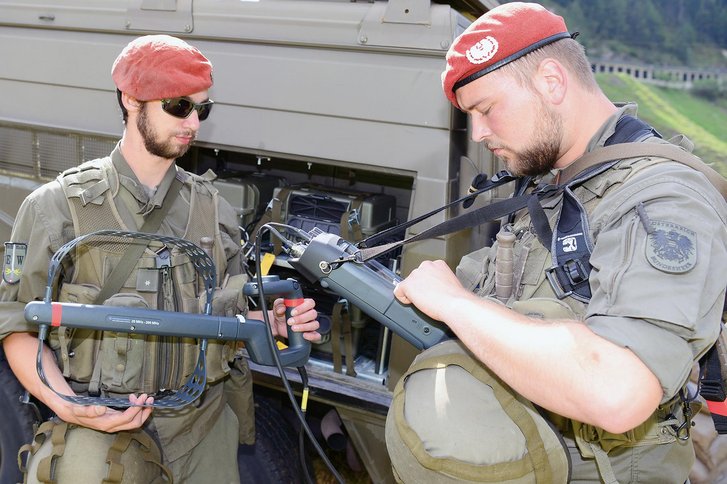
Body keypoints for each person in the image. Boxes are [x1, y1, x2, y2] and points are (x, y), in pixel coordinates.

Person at [386, 2, 727, 483]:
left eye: (486, 109)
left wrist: (454, 304)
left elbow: (618, 391)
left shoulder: (661, 200)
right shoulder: (554, 183)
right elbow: (506, 296)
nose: (479, 134)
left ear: (551, 81)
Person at [0, 34, 320, 483]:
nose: (193, 122)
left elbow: (228, 314)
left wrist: (272, 323)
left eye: (202, 109)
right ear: (131, 100)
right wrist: (63, 403)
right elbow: (17, 322)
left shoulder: (214, 210)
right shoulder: (57, 208)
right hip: (102, 425)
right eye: (178, 106)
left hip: (202, 429)